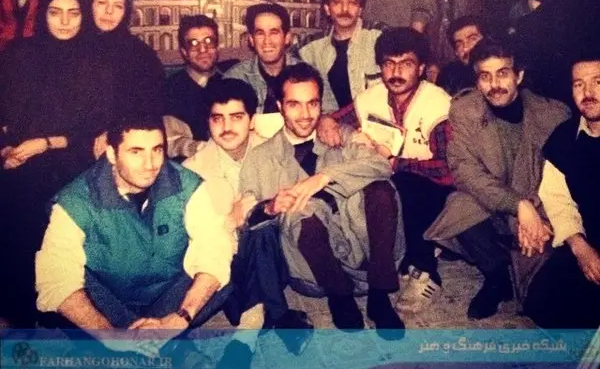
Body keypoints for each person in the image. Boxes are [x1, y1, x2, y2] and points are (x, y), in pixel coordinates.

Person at [35, 116, 233, 356]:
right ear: (111, 154)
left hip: (167, 297)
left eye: (157, 150)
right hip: (110, 303)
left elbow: (214, 249)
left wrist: (180, 318)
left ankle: (148, 345)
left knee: (223, 265)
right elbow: (56, 279)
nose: (150, 164)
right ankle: (149, 348)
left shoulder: (186, 185)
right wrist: (110, 335)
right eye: (136, 152)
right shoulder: (75, 200)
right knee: (64, 275)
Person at [239, 63, 405, 335]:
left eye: (312, 104)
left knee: (380, 189)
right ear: (280, 107)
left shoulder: (340, 134)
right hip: (313, 271)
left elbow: (381, 164)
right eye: (294, 105)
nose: (305, 115)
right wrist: (269, 207)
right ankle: (340, 297)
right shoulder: (260, 158)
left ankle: (379, 295)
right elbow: (246, 221)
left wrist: (325, 177)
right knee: (302, 211)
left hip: (363, 251)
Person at [425, 38, 570, 319]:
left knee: (541, 301)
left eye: (503, 73)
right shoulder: (465, 110)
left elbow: (559, 181)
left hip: (540, 210)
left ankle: (522, 269)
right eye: (485, 76)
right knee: (459, 205)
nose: (494, 85)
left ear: (519, 75)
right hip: (494, 201)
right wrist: (517, 205)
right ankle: (496, 275)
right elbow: (464, 171)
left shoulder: (553, 115)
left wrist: (534, 214)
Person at [0, 0, 114, 326]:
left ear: (83, 17)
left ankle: (63, 313)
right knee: (14, 214)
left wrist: (45, 143)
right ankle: (18, 315)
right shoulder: (18, 55)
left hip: (72, 161)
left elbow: (97, 130)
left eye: (73, 13)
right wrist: (6, 148)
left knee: (62, 225)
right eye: (55, 12)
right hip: (19, 163)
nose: (64, 21)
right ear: (43, 15)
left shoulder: (96, 64)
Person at [183, 79, 313, 365]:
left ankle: (247, 334)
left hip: (277, 254)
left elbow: (301, 201)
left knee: (261, 228)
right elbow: (198, 238)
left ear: (252, 121)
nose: (227, 127)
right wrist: (231, 220)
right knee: (236, 298)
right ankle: (276, 315)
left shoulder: (275, 152)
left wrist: (268, 208)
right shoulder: (191, 171)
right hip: (229, 263)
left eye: (236, 117)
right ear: (208, 122)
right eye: (218, 118)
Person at [353, 28, 453, 313]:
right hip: (393, 180)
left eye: (406, 64)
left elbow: (449, 170)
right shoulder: (370, 98)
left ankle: (426, 270)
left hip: (436, 188)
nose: (396, 72)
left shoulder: (439, 103)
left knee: (408, 184)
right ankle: (400, 258)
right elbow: (337, 119)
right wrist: (327, 123)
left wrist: (397, 163)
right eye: (389, 63)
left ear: (421, 68)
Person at [524, 52, 600, 328]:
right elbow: (558, 200)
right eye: (579, 84)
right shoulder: (564, 137)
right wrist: (580, 248)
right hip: (589, 239)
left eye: (598, 82)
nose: (588, 93)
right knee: (542, 303)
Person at [299, 0, 381, 112]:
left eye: (352, 2)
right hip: (330, 122)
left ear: (360, 9)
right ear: (327, 8)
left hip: (375, 121)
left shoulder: (378, 37)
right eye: (337, 2)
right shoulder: (310, 49)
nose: (345, 9)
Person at [87, 0, 165, 122]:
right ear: (89, 5)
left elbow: (150, 106)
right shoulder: (76, 48)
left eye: (118, 6)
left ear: (126, 12)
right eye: (102, 3)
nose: (109, 11)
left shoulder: (142, 55)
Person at [225, 3, 300, 138]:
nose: (267, 41)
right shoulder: (235, 78)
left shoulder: (306, 75)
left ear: (287, 37)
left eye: (274, 32)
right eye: (260, 33)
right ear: (251, 39)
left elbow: (327, 115)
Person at [164, 14, 223, 157]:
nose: (203, 49)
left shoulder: (232, 79)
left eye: (209, 41)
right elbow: (173, 142)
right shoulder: (170, 89)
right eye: (194, 43)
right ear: (184, 52)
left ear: (217, 47)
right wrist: (202, 149)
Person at [437, 15, 485, 96]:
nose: (466, 48)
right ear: (456, 52)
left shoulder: (504, 66)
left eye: (472, 39)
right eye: (459, 44)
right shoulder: (449, 77)